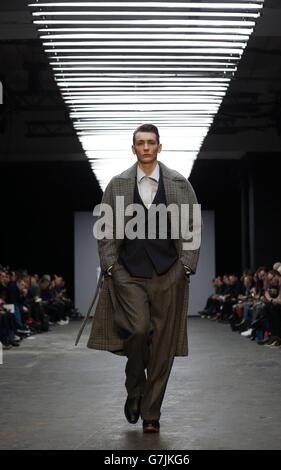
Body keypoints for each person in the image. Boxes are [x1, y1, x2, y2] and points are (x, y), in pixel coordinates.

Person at [84, 124, 202, 433]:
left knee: (162, 347)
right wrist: (111, 267)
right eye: (140, 143)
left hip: (168, 273)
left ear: (159, 147)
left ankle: (151, 412)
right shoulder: (118, 184)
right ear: (133, 148)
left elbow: (192, 226)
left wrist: (185, 267)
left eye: (151, 143)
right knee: (136, 330)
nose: (146, 147)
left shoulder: (179, 183)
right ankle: (134, 387)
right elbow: (106, 229)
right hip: (129, 273)